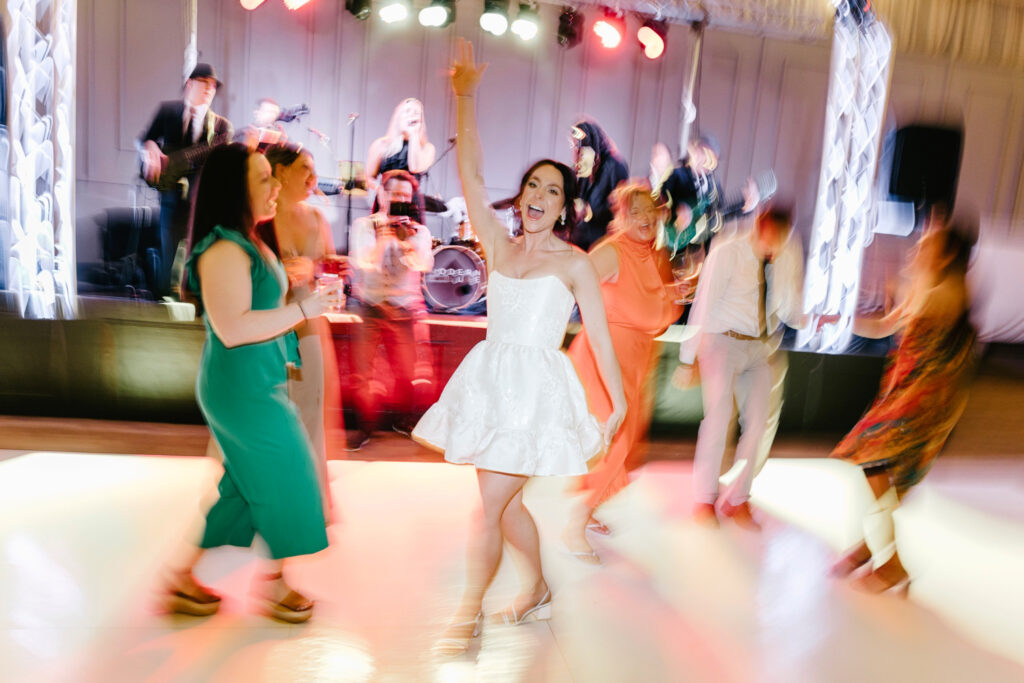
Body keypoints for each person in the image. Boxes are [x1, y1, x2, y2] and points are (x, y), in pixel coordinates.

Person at [412, 40, 626, 656]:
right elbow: (472, 172)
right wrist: (463, 95)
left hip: (535, 397)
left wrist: (615, 404)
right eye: (532, 185)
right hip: (490, 387)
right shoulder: (500, 246)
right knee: (503, 507)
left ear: (564, 207)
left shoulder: (576, 264)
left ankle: (467, 612)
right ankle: (536, 585)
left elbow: (601, 339)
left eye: (551, 191)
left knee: (491, 508)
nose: (537, 196)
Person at [162, 143, 336, 623]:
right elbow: (233, 328)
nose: (276, 186)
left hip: (258, 383)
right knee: (290, 476)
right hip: (240, 391)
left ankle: (182, 579)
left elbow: (258, 308)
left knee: (240, 491)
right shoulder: (222, 248)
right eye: (264, 178)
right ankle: (276, 584)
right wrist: (303, 311)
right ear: (235, 188)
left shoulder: (252, 240)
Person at [828, 221, 976, 593]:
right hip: (905, 395)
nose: (915, 251)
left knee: (874, 462)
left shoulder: (950, 291)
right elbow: (883, 327)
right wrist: (837, 320)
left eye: (925, 245)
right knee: (882, 475)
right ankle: (869, 549)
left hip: (922, 402)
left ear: (946, 256)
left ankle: (891, 564)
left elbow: (913, 315)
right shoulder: (929, 288)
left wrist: (900, 288)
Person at [562, 180, 685, 562]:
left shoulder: (656, 255)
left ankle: (592, 508)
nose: (645, 218)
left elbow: (663, 311)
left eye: (650, 210)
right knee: (612, 440)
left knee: (625, 442)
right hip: (605, 358)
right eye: (636, 212)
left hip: (638, 358)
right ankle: (575, 523)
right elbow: (570, 282)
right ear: (620, 216)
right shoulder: (612, 252)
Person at [673, 207, 804, 529]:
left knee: (759, 425)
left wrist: (811, 317)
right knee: (718, 419)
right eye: (771, 237)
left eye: (781, 239)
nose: (775, 244)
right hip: (723, 342)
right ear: (759, 225)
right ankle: (704, 499)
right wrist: (688, 359)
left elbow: (789, 307)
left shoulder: (787, 251)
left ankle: (738, 499)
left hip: (762, 346)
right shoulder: (728, 249)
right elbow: (704, 303)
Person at [260, 142, 344, 515]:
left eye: (314, 169)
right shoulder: (260, 218)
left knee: (309, 404)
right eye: (304, 169)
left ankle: (309, 499)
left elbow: (330, 270)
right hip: (270, 319)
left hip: (309, 323)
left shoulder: (316, 219)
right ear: (279, 172)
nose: (313, 178)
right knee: (273, 406)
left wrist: (319, 272)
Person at [347, 169, 434, 449]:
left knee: (406, 371)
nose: (399, 200)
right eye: (394, 194)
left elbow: (424, 266)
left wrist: (405, 242)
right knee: (362, 372)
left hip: (404, 307)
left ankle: (402, 421)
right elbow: (363, 262)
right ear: (382, 194)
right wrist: (385, 237)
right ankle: (364, 427)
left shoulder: (419, 231)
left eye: (405, 197)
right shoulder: (365, 226)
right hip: (369, 304)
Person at [139, 63, 233, 298]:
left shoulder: (221, 126)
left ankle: (191, 290)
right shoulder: (167, 111)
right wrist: (150, 149)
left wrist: (173, 160)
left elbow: (215, 153)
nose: (210, 90)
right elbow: (145, 139)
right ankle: (163, 291)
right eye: (205, 84)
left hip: (202, 199)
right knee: (168, 239)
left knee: (197, 244)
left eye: (213, 87)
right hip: (170, 195)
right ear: (190, 84)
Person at [657, 135, 759, 256]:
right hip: (673, 248)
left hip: (700, 253)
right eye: (705, 154)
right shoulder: (676, 175)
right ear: (695, 152)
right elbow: (660, 201)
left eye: (713, 159)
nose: (708, 162)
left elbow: (720, 214)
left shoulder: (714, 184)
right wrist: (676, 212)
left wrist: (745, 206)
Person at [569, 117, 629, 252]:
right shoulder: (586, 168)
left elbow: (620, 207)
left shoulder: (614, 165)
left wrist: (587, 210)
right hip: (582, 241)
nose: (577, 153)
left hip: (602, 243)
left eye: (579, 147)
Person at [366, 98, 435, 188]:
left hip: (410, 200)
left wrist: (413, 135)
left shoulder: (427, 148)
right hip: (385, 199)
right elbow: (368, 177)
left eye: (416, 112)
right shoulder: (381, 144)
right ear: (398, 117)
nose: (411, 115)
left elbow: (414, 168)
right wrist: (379, 190)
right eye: (407, 111)